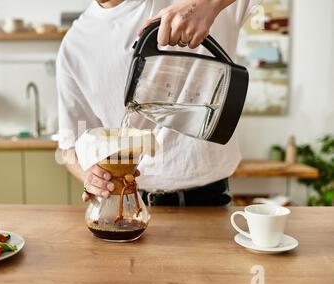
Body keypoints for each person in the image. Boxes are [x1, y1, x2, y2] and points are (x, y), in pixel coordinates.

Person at [57, 0, 261, 206]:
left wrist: (206, 5)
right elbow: (71, 147)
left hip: (211, 204)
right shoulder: (74, 45)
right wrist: (90, 178)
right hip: (130, 203)